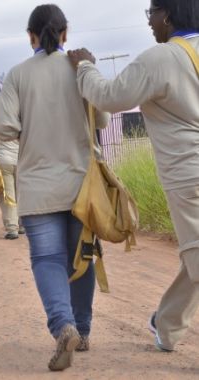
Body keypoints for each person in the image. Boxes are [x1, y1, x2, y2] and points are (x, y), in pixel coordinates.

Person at [68, 0, 199, 353]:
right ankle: (168, 326)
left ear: (167, 16)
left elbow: (110, 97)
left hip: (189, 176)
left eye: (151, 14)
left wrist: (84, 68)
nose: (150, 23)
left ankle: (167, 323)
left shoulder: (161, 59)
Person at [0, 4, 109, 371]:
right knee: (80, 257)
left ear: (32, 37)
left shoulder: (18, 75)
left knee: (47, 260)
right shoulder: (81, 67)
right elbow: (102, 115)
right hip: (81, 184)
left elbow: (3, 128)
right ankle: (83, 330)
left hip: (38, 186)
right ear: (65, 33)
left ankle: (63, 326)